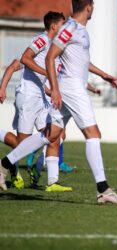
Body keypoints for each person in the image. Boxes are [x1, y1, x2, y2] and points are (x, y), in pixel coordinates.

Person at [0, 0, 117, 204]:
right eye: (93, 5)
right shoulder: (70, 28)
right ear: (88, 7)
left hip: (71, 87)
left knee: (50, 135)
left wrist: (104, 75)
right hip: (71, 89)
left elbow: (81, 61)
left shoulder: (78, 29)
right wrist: (56, 89)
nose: (93, 8)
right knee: (93, 134)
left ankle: (4, 164)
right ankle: (103, 190)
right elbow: (50, 57)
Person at [0, 11, 66, 190]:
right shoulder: (42, 39)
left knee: (55, 134)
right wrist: (2, 88)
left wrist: (51, 90)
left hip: (41, 98)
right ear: (53, 26)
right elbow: (22, 60)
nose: (65, 27)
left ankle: (50, 180)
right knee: (22, 144)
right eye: (63, 23)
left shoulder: (54, 48)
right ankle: (5, 165)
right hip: (28, 96)